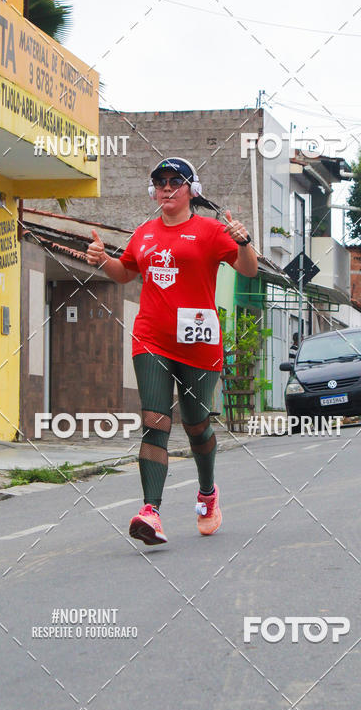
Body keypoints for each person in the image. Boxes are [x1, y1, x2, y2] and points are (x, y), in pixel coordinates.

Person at [86, 157, 258, 545]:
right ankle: (151, 511)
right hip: (152, 339)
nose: (167, 187)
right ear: (153, 190)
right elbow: (125, 273)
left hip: (198, 342)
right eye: (160, 181)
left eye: (175, 181)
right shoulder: (144, 233)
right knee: (155, 420)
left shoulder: (211, 231)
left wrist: (244, 242)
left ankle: (208, 494)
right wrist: (104, 260)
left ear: (191, 190)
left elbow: (248, 270)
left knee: (196, 424)